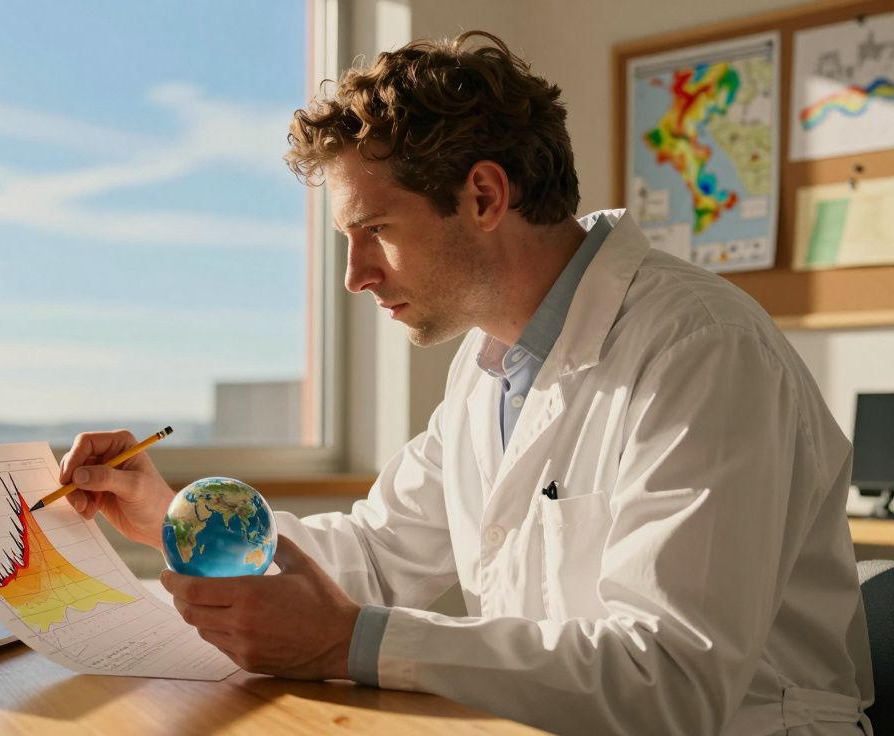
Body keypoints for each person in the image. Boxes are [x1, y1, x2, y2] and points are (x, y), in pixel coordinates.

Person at [59, 31, 874, 735]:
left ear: (483, 195)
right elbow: (378, 558)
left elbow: (670, 681)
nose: (354, 276)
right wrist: (174, 514)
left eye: (374, 230)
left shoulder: (701, 349)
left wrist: (350, 643)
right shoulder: (493, 363)